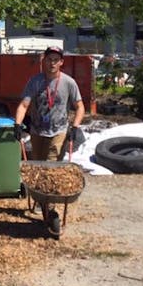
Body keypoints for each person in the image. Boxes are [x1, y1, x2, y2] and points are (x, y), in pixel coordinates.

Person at [14, 45, 84, 234]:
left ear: (61, 62)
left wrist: (75, 127)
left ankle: (50, 206)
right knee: (37, 167)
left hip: (59, 132)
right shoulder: (35, 81)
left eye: (56, 60)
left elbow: (80, 107)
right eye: (49, 59)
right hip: (38, 131)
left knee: (51, 166)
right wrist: (18, 124)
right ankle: (41, 200)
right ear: (44, 61)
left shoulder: (69, 83)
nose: (52, 63)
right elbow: (23, 104)